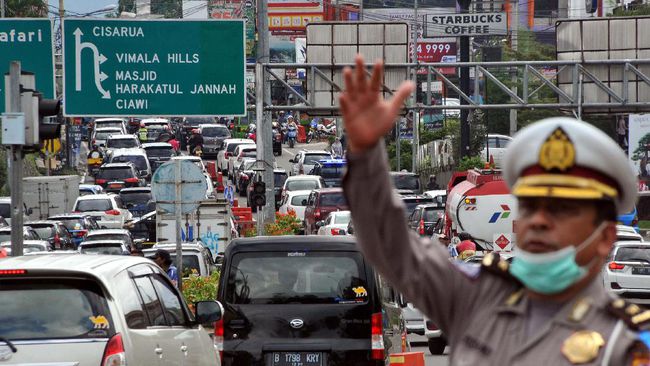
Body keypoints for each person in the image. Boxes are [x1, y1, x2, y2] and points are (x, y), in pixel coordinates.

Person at [339, 55, 647, 364]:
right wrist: (365, 154)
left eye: (561, 210)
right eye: (527, 207)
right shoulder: (479, 297)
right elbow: (391, 247)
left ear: (606, 237)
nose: (538, 221)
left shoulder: (626, 344)